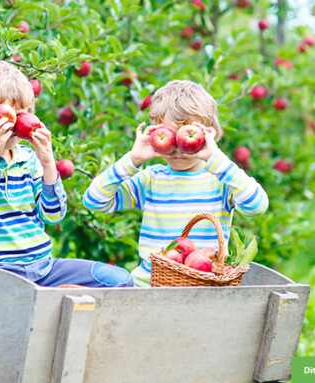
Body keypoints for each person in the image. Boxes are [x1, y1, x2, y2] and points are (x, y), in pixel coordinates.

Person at [0, 61, 133, 287]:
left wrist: (48, 164)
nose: (13, 123)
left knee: (118, 280)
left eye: (20, 114)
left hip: (43, 269)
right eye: (2, 114)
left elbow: (53, 215)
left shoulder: (28, 159)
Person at [83, 80, 269, 287]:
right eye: (171, 139)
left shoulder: (221, 180)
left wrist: (217, 159)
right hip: (149, 285)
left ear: (208, 136)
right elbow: (94, 201)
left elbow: (257, 206)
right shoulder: (151, 179)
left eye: (187, 137)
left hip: (204, 287)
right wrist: (132, 160)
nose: (179, 149)